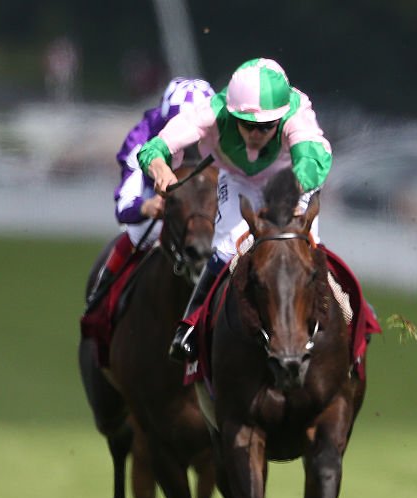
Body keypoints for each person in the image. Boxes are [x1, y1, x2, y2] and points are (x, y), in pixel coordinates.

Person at [138, 57, 333, 361]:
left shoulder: (297, 115)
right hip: (239, 179)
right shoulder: (212, 112)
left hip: (291, 178)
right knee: (227, 250)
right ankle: (190, 325)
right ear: (231, 114)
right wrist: (159, 167)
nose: (256, 134)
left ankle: (346, 317)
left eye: (266, 126)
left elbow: (313, 159)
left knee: (305, 248)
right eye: (247, 125)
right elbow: (157, 146)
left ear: (281, 118)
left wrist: (293, 188)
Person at [86, 77, 216, 312]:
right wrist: (147, 207)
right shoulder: (142, 137)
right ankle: (100, 309)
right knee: (136, 235)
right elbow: (125, 205)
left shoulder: (224, 134)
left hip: (210, 212)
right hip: (157, 207)